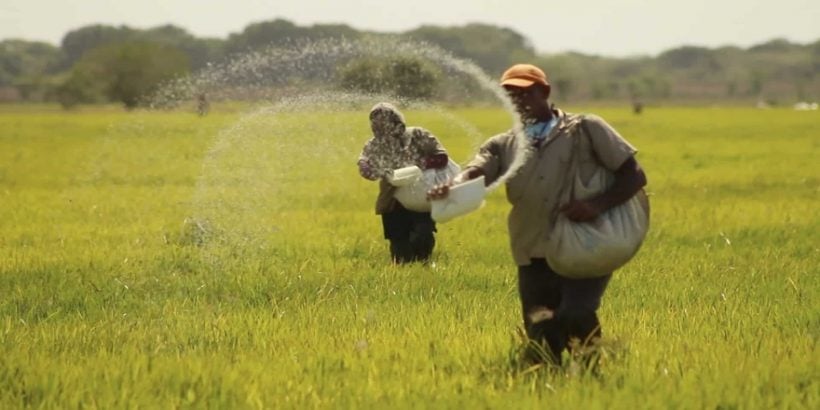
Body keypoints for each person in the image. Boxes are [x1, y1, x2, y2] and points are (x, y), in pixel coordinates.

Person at [428, 64, 648, 366]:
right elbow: (476, 170)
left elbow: (633, 176)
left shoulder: (585, 128)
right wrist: (450, 186)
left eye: (525, 92)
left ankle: (594, 369)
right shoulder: (503, 144)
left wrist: (596, 205)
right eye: (510, 95)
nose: (518, 100)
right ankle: (546, 381)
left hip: (586, 242)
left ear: (544, 92)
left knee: (576, 312)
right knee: (540, 327)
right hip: (531, 247)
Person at [358, 102, 450, 264]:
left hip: (422, 197)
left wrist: (418, 165)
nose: (380, 132)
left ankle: (424, 267)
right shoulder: (374, 145)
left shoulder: (418, 135)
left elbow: (441, 157)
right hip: (393, 201)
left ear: (398, 124)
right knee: (399, 244)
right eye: (375, 127)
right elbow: (365, 167)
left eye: (383, 126)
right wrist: (372, 169)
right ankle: (404, 272)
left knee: (423, 236)